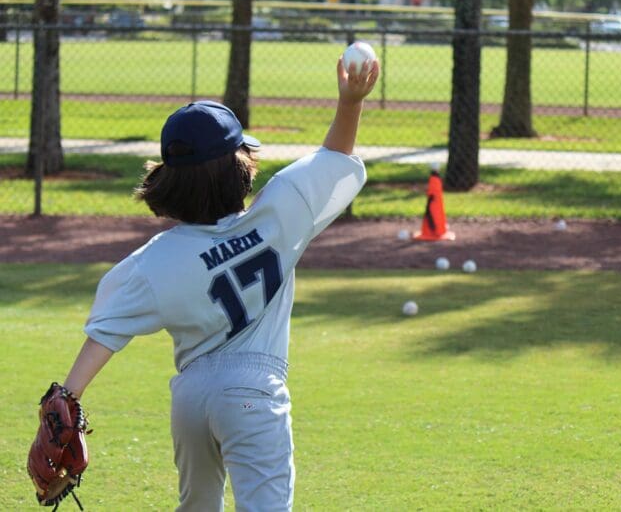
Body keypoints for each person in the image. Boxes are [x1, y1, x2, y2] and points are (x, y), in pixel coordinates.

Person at [56, 55, 379, 510]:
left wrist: (68, 396)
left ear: (167, 181)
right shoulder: (283, 208)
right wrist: (350, 103)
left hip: (191, 397)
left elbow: (105, 332)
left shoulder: (155, 260)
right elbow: (334, 159)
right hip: (253, 393)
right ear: (240, 168)